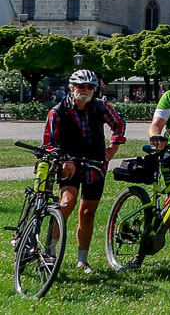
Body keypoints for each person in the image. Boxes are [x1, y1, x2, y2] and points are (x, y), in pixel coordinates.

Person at [42, 68, 126, 275]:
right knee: (67, 203)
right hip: (69, 165)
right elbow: (49, 143)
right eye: (81, 86)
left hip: (95, 164)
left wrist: (112, 148)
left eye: (90, 87)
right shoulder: (58, 111)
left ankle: (83, 260)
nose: (85, 90)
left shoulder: (100, 106)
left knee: (88, 213)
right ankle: (50, 251)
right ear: (72, 88)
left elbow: (118, 123)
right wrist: (64, 159)